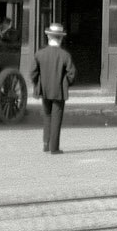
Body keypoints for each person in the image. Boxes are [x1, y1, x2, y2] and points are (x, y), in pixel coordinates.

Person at [32, 22, 75, 154]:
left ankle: (46, 143)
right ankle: (54, 148)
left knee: (47, 116)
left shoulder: (39, 54)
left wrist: (38, 84)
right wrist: (66, 83)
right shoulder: (65, 55)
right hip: (59, 92)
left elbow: (33, 72)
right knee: (56, 119)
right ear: (61, 38)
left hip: (44, 90)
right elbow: (71, 73)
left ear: (49, 37)